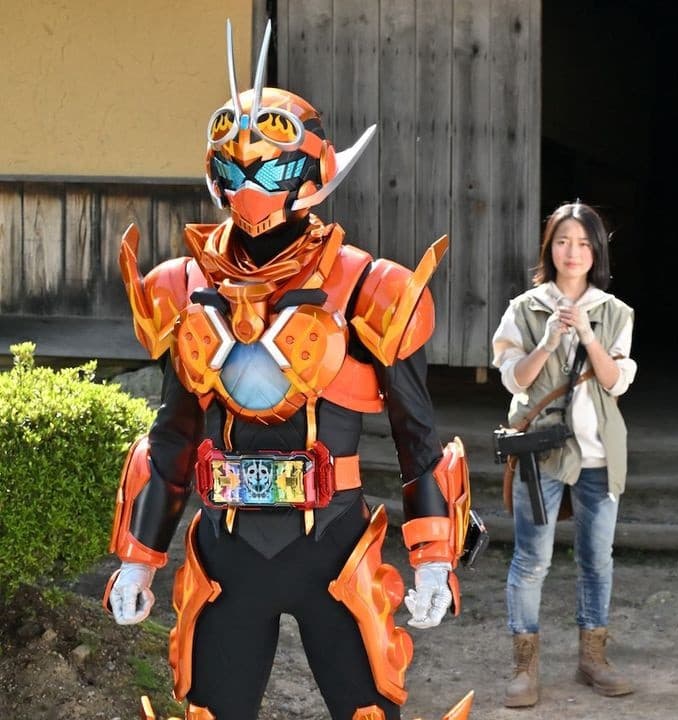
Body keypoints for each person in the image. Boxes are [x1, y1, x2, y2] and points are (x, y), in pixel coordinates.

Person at [103, 21, 473, 720]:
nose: (249, 187)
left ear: (311, 172)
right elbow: (173, 436)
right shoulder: (185, 286)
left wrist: (433, 555)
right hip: (226, 552)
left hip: (335, 549)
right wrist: (138, 555)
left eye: (269, 170)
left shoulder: (369, 286)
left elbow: (417, 435)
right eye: (233, 172)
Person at [491, 202, 638, 708]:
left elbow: (616, 382)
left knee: (597, 560)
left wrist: (589, 336)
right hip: (541, 454)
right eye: (562, 241)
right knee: (532, 559)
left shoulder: (615, 312)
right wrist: (550, 339)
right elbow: (516, 380)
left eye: (582, 243)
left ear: (596, 251)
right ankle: (524, 667)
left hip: (600, 454)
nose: (572, 252)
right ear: (549, 248)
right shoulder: (524, 309)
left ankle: (593, 658)